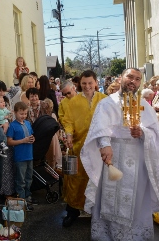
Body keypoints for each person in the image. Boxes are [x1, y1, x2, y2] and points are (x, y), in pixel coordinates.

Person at [81, 68, 159, 240]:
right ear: (121, 79)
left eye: (137, 79)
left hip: (137, 160)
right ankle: (108, 235)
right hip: (114, 158)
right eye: (130, 77)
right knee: (108, 197)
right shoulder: (107, 103)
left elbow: (156, 134)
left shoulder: (144, 106)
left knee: (136, 200)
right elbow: (100, 128)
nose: (133, 81)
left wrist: (142, 133)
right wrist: (104, 145)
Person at [61, 70, 107, 228]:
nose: (87, 86)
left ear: (96, 83)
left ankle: (98, 211)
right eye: (84, 83)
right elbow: (68, 121)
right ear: (79, 84)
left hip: (99, 148)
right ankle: (72, 211)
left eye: (90, 83)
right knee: (76, 180)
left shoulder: (104, 100)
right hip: (79, 146)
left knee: (98, 180)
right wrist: (68, 134)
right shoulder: (73, 102)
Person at [7, 101, 36, 211]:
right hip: (20, 157)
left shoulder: (28, 123)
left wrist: (33, 139)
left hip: (29, 156)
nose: (23, 116)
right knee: (21, 180)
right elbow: (9, 142)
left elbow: (31, 135)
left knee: (29, 178)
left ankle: (28, 197)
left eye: (25, 114)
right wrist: (23, 140)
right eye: (21, 114)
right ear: (15, 113)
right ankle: (22, 201)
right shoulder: (13, 126)